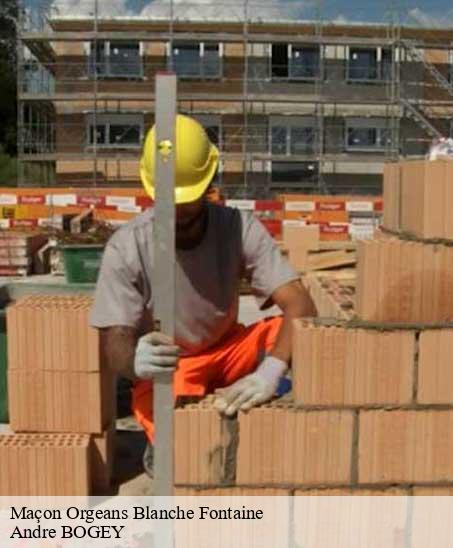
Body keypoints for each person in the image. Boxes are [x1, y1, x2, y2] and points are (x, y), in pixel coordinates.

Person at [90, 114, 315, 476]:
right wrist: (135, 361)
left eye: (188, 199)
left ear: (209, 182)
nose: (178, 211)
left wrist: (272, 371)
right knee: (184, 452)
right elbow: (114, 338)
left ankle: (278, 416)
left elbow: (300, 303)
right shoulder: (128, 246)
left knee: (297, 336)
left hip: (229, 352)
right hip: (172, 366)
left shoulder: (238, 228)